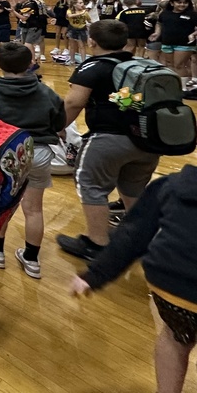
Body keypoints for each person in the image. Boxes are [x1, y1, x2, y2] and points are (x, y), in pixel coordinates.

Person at [70, 164, 197, 393]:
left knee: (174, 337)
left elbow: (132, 235)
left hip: (169, 286)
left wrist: (94, 276)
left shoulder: (173, 185)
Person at [57, 20, 161, 262]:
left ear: (91, 41)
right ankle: (141, 239)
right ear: (125, 42)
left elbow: (74, 102)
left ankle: (96, 244)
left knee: (90, 186)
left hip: (109, 139)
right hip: (147, 140)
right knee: (133, 188)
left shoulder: (92, 67)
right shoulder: (139, 63)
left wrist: (55, 127)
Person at [0, 42, 66, 279]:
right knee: (34, 209)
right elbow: (59, 123)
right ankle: (31, 260)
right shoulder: (47, 93)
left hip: (4, 156)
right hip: (39, 153)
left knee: (2, 205)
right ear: (31, 63)